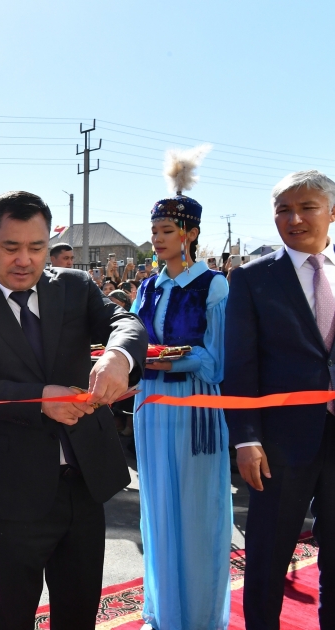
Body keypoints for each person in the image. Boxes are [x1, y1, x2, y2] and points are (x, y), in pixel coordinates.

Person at [0, 190, 146, 629]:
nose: (24, 260)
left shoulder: (73, 286)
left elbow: (124, 321)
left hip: (84, 483)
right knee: (10, 615)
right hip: (12, 491)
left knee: (78, 613)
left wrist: (117, 356)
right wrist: (39, 400)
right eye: (11, 247)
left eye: (37, 248)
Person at [225, 170, 335, 629]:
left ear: (331, 213)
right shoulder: (253, 279)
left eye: (306, 207)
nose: (294, 218)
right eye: (283, 210)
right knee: (269, 557)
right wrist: (245, 439)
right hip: (279, 445)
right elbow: (240, 366)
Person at [131, 146, 231, 629]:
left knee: (195, 513)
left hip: (194, 409)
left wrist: (175, 359)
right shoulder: (147, 288)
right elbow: (131, 342)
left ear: (190, 233)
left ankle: (198, 617)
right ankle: (165, 611)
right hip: (151, 406)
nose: (157, 239)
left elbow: (218, 361)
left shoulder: (213, 286)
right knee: (157, 507)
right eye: (153, 231)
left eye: (167, 231)